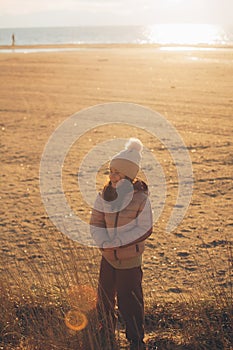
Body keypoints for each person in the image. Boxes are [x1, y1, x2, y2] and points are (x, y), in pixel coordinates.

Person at [90, 138, 153, 350]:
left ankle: (136, 339)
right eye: (110, 171)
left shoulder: (140, 198)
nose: (112, 176)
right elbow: (96, 222)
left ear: (129, 176)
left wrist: (116, 242)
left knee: (130, 302)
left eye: (117, 172)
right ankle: (105, 333)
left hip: (129, 261)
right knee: (104, 300)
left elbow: (144, 228)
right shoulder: (105, 194)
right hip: (107, 257)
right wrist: (103, 243)